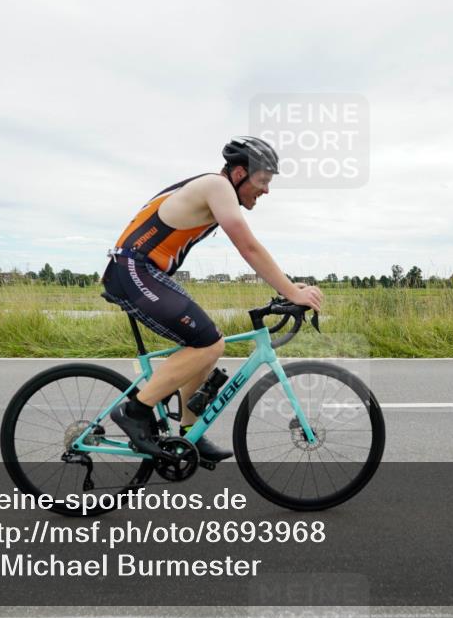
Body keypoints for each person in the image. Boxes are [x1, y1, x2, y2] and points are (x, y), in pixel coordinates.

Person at [102, 136, 323, 461]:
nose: (266, 190)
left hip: (141, 271)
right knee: (209, 344)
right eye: (262, 181)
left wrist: (288, 287)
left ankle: (191, 433)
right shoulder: (217, 187)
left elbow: (251, 249)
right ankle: (135, 411)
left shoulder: (214, 189)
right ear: (238, 174)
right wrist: (291, 292)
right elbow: (248, 246)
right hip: (134, 270)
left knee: (204, 341)